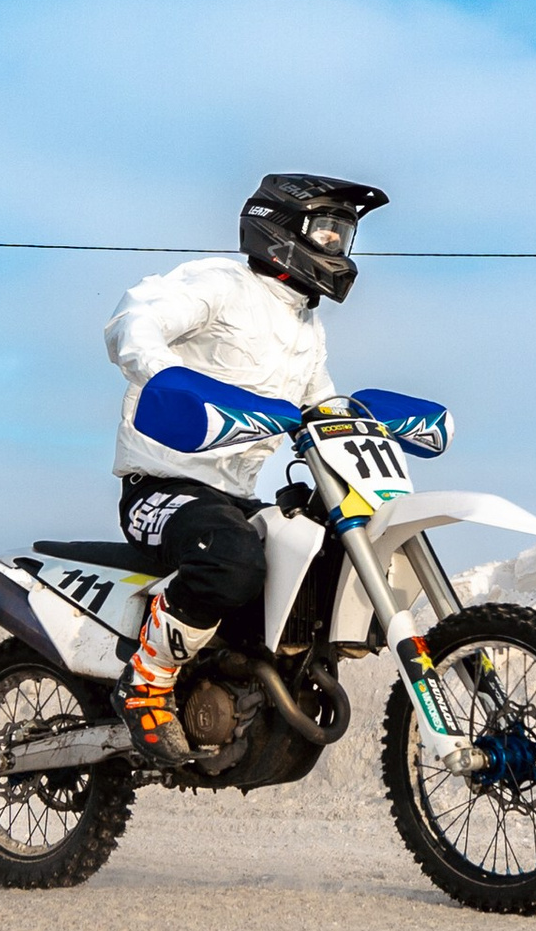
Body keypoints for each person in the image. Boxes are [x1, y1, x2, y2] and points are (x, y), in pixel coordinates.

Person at [104, 173, 386, 762]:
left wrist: (362, 430)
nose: (336, 247)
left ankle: (252, 682)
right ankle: (147, 681)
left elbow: (321, 405)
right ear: (278, 228)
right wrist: (161, 375)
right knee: (231, 560)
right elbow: (137, 317)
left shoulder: (307, 329)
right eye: (327, 231)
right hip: (163, 487)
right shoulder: (221, 284)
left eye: (344, 235)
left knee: (318, 546)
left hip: (234, 495)